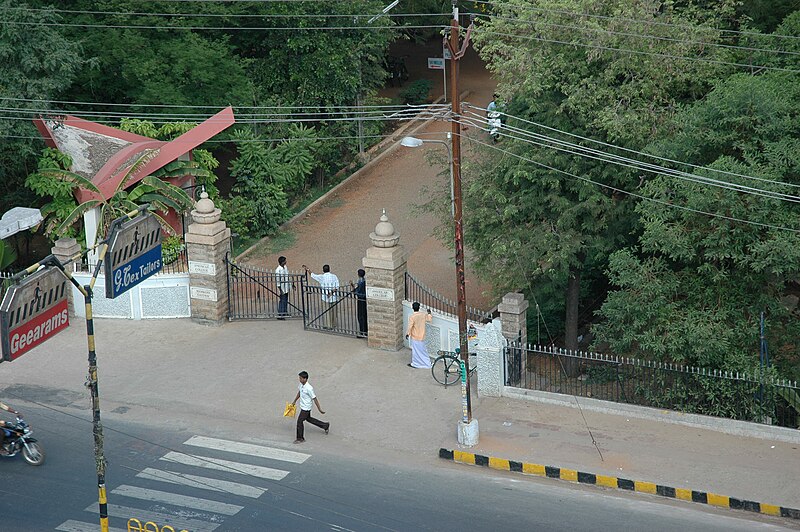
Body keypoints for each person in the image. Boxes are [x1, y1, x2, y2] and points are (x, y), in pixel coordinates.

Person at [290, 371, 329, 444]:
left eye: (301, 378)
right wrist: (294, 401)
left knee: (299, 421)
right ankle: (325, 425)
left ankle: (300, 438)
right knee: (308, 419)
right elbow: (299, 392)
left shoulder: (309, 388)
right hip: (303, 406)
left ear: (305, 379)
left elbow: (315, 398)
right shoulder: (301, 385)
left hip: (306, 408)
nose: (299, 379)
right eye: (299, 378)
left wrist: (319, 409)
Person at [303, 264, 340, 329]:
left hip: (325, 297)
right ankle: (333, 324)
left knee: (327, 311)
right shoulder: (334, 276)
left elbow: (313, 275)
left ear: (323, 270)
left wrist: (308, 269)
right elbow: (337, 286)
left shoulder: (322, 277)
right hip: (333, 296)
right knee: (334, 311)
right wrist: (331, 292)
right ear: (329, 269)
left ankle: (328, 325)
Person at [406, 302, 433, 368]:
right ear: (419, 307)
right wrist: (429, 313)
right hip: (422, 336)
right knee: (423, 350)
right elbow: (429, 319)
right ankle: (426, 362)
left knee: (416, 351)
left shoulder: (412, 317)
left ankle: (416, 363)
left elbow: (410, 326)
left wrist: (407, 334)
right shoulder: (423, 315)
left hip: (415, 337)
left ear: (412, 308)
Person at [350, 269, 367, 338]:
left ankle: (362, 331)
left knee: (361, 316)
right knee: (364, 315)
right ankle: (365, 330)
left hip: (361, 299)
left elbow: (358, 291)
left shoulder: (361, 281)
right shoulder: (363, 280)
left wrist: (353, 289)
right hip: (363, 298)